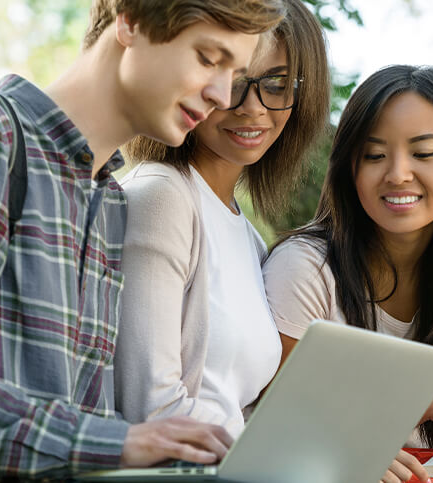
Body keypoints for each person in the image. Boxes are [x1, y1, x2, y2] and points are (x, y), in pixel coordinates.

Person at [0, 0, 285, 478]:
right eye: (208, 58)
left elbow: (78, 425)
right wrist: (118, 441)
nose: (224, 96)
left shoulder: (110, 204)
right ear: (131, 19)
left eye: (235, 71)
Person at [262, 64, 433, 483]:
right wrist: (427, 400)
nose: (397, 173)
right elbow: (278, 410)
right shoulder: (304, 267)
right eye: (375, 155)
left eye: (424, 154)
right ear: (350, 170)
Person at [114, 0, 330, 437]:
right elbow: (149, 410)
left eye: (277, 83)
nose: (252, 107)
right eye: (233, 79)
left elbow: (238, 411)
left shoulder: (249, 239)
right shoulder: (161, 197)